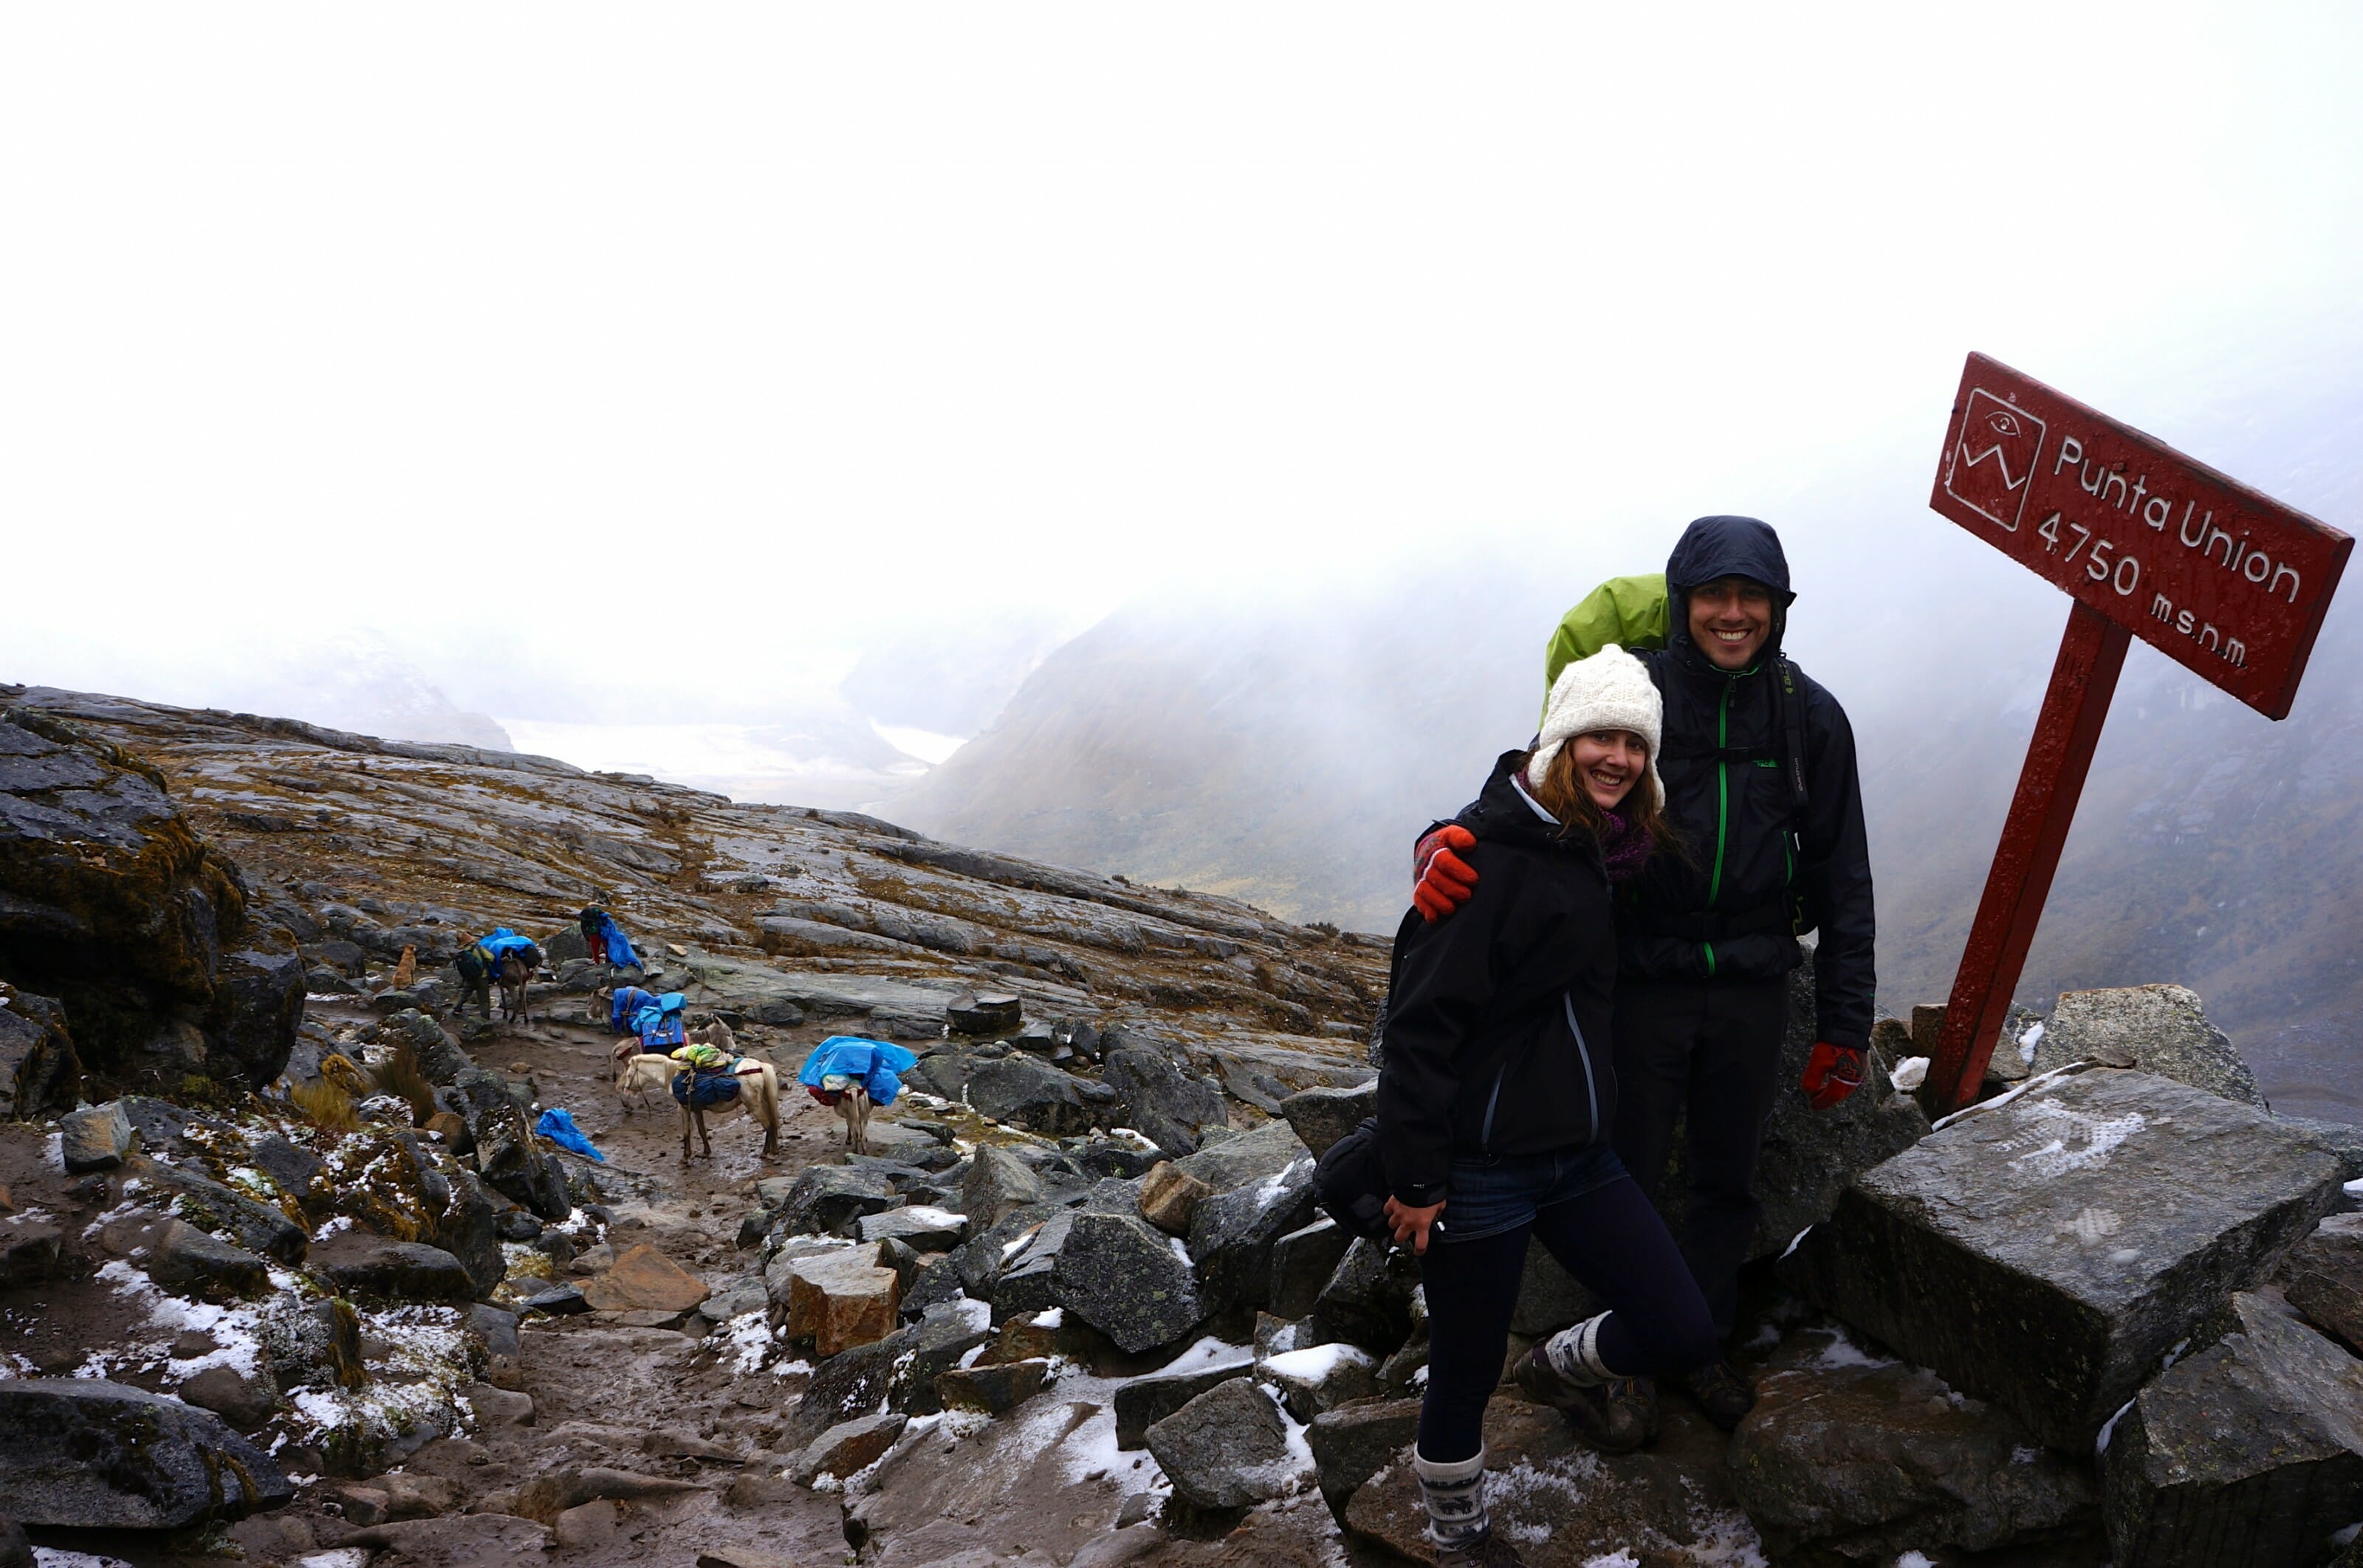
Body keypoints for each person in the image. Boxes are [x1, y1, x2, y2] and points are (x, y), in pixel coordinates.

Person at [1411, 515, 1876, 1433]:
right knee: (1618, 1173)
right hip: (1636, 979)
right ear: (1681, 603)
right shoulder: (1640, 690)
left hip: (1750, 982)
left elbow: (1842, 868)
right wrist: (1440, 837)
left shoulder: (1806, 714)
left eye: (1753, 598)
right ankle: (1617, 1355)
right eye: (1714, 596)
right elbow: (1543, 776)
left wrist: (1844, 1023)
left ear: (1779, 608)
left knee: (1725, 1180)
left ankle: (1691, 1342)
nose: (1733, 615)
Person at [1381, 647, 1721, 1568]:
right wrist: (1415, 1177)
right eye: (1598, 738)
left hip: (1577, 1156)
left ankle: (1560, 1366)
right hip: (1480, 1169)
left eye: (1635, 744)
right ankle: (1458, 1536)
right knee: (1462, 1369)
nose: (1617, 758)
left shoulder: (1605, 850)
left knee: (1680, 1327)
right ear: (1558, 743)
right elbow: (1417, 1027)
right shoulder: (1486, 861)